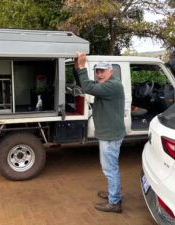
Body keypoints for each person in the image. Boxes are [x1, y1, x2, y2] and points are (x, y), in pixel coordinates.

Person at [74, 52, 125, 213]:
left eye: (103, 71)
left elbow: (87, 87)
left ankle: (114, 202)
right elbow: (86, 84)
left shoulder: (113, 85)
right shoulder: (107, 85)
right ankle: (113, 194)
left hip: (110, 136)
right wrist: (77, 68)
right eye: (97, 71)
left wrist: (82, 66)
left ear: (111, 72)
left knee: (110, 169)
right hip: (109, 133)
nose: (99, 74)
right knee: (111, 167)